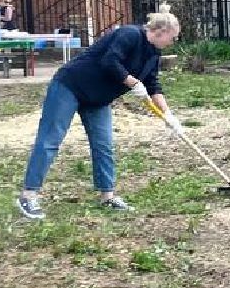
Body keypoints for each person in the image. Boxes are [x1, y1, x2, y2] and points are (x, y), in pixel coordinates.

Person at [17, 12, 184, 219]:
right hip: (71, 86)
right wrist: (132, 82)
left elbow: (153, 84)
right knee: (51, 138)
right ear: (161, 31)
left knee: (103, 145)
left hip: (98, 98)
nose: (173, 42)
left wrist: (168, 115)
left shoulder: (153, 53)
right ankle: (29, 194)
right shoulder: (129, 34)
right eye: (173, 37)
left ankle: (108, 196)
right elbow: (110, 61)